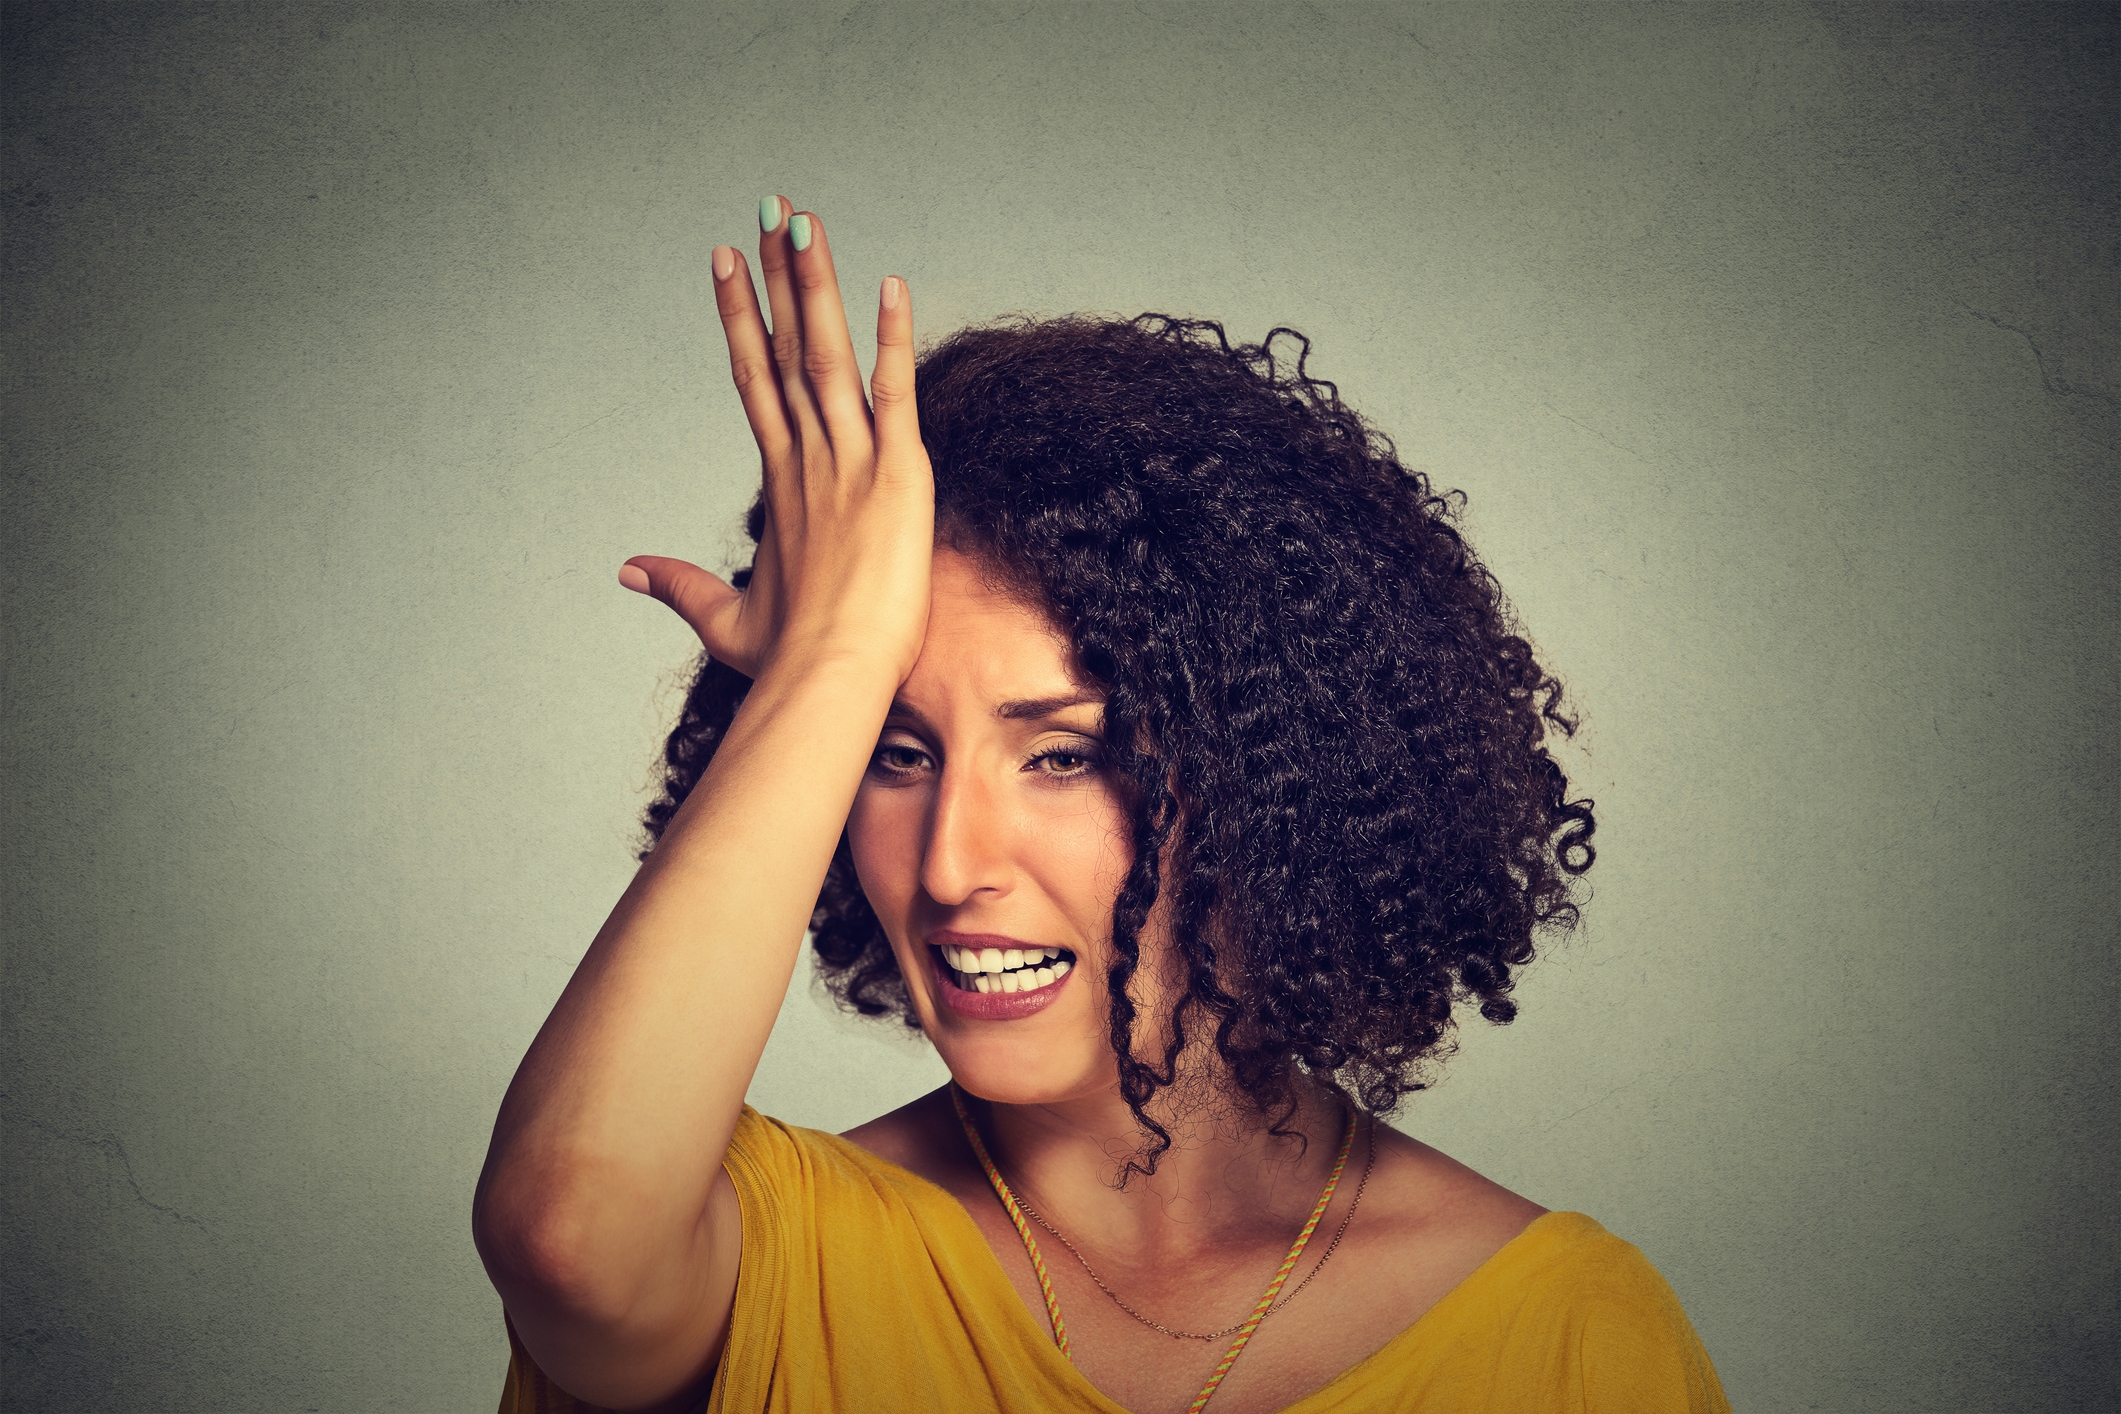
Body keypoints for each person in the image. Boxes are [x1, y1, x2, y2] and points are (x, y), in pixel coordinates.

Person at [472, 197, 1731, 1414]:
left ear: (1272, 781)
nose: (951, 864)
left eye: (1063, 756)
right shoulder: (765, 1253)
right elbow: (566, 1237)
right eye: (893, 754)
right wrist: (830, 665)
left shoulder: (1571, 1340)